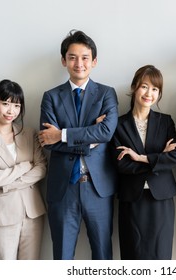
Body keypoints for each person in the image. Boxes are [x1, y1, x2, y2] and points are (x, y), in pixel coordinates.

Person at [39, 30, 118, 260]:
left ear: (94, 61)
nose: (79, 63)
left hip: (98, 188)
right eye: (72, 57)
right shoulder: (51, 97)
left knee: (102, 256)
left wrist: (62, 134)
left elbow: (105, 132)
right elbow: (47, 140)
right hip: (63, 189)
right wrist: (89, 140)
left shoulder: (106, 94)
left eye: (85, 57)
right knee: (62, 257)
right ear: (64, 60)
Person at [0, 79, 47, 260]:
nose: (11, 111)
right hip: (3, 215)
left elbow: (41, 169)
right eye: (5, 104)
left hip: (32, 213)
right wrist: (23, 167)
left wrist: (6, 184)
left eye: (16, 105)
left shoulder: (29, 133)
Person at [112, 65, 176, 260]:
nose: (149, 93)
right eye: (144, 86)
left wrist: (140, 157)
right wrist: (159, 157)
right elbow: (121, 165)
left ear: (159, 94)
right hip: (132, 198)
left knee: (161, 254)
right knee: (133, 253)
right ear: (134, 87)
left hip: (161, 197)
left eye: (155, 89)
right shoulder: (118, 125)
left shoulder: (165, 122)